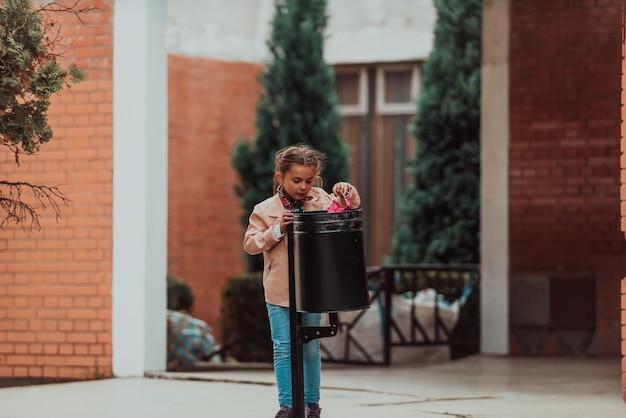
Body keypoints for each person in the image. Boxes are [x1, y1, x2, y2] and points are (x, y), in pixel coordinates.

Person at [243, 144, 361, 418]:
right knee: (284, 348)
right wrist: (276, 230)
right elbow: (250, 244)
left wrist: (348, 195)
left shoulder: (319, 200)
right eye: (296, 180)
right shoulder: (264, 209)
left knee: (310, 347)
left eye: (309, 180)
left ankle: (311, 405)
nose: (303, 186)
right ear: (280, 178)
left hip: (312, 290)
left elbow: (342, 216)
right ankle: (287, 405)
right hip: (279, 291)